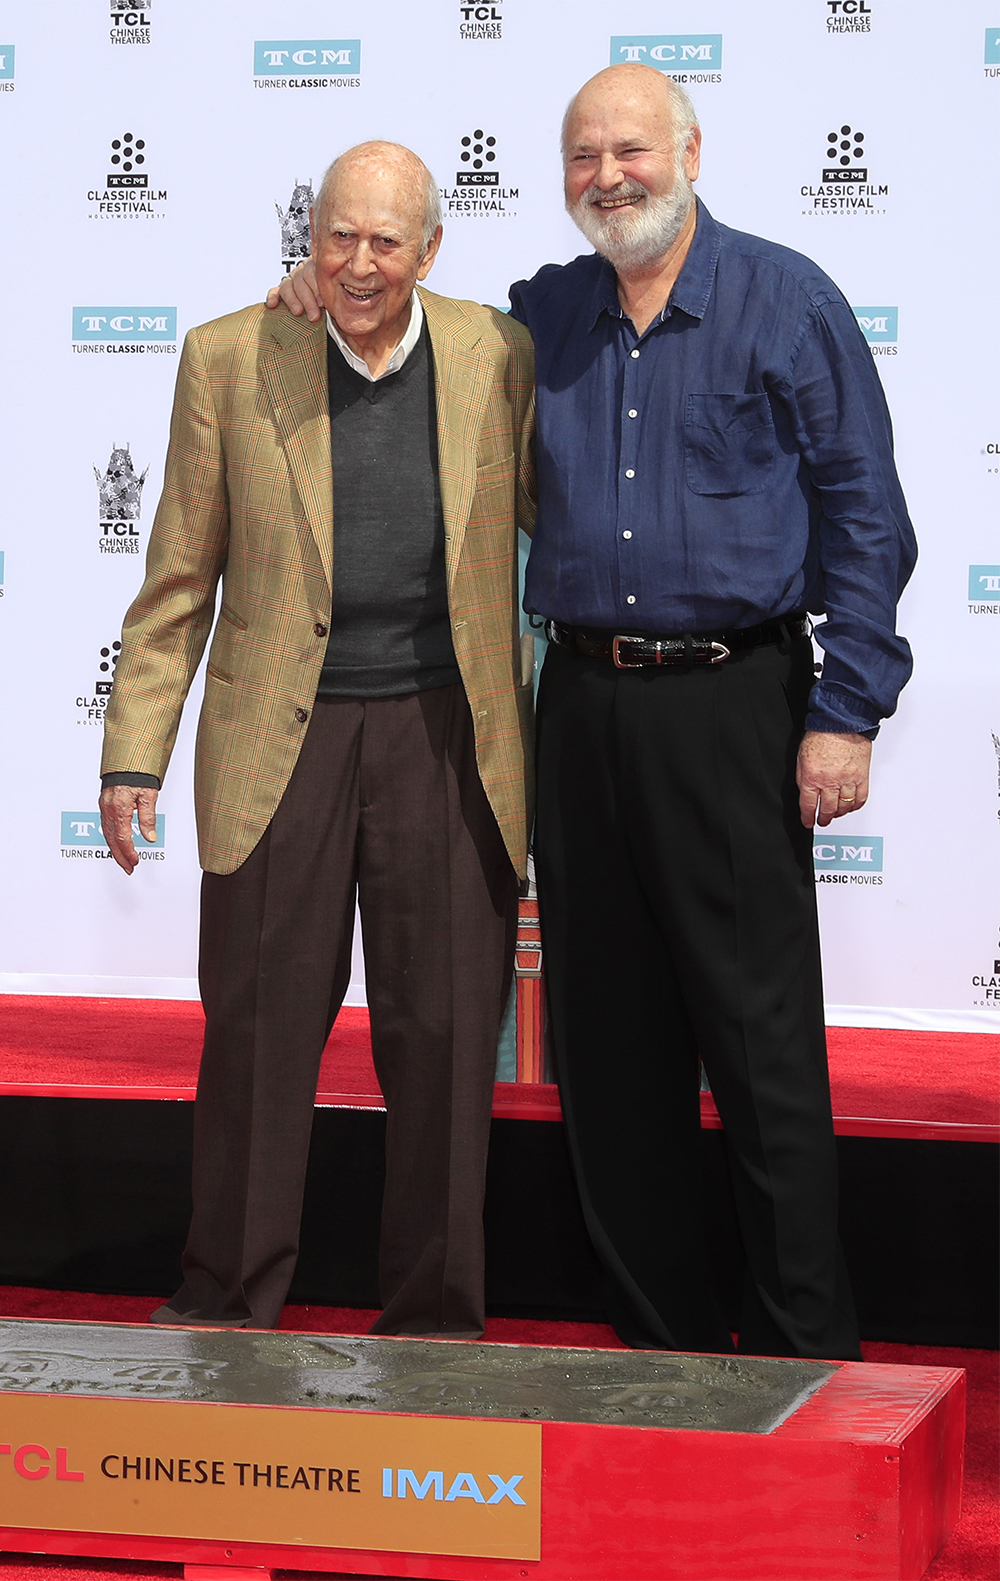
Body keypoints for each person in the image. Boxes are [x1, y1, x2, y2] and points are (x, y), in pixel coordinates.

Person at [273, 67, 916, 1362]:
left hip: (734, 710)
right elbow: (407, 354)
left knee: (761, 1053)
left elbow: (865, 512)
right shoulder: (543, 317)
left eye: (630, 149)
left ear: (688, 149)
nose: (607, 175)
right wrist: (312, 306)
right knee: (611, 1066)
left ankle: (807, 1364)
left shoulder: (783, 300)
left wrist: (847, 707)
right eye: (582, 156)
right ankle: (664, 1360)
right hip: (577, 714)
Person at [100, 142, 536, 1338]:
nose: (356, 263)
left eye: (384, 242)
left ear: (430, 251)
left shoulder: (498, 354)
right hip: (274, 746)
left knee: (446, 1045)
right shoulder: (231, 356)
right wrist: (133, 752)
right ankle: (226, 1304)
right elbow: (177, 579)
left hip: (447, 739)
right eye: (336, 236)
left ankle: (437, 1324)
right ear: (309, 237)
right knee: (255, 1034)